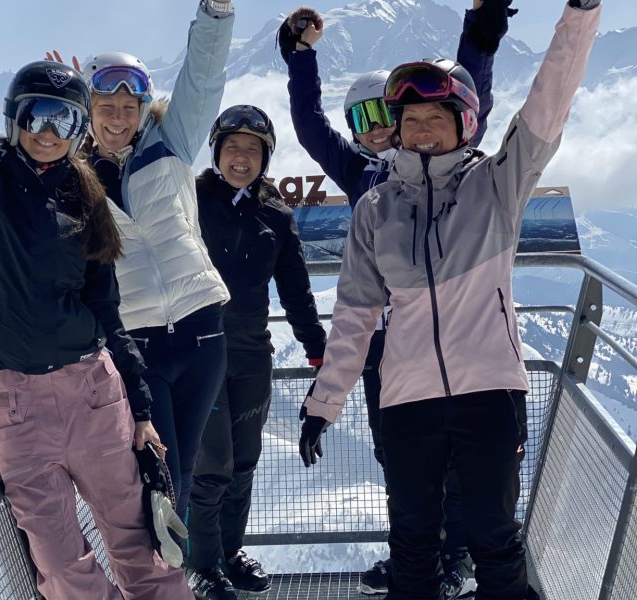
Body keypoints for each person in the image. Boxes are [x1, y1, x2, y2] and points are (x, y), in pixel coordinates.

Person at [298, 1, 601, 598]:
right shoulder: (376, 208)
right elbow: (356, 315)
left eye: (439, 115)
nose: (423, 127)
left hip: (489, 392)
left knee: (493, 537)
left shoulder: (497, 183)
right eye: (411, 119)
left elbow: (548, 104)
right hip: (407, 401)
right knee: (411, 543)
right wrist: (323, 404)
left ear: (466, 123)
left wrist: (580, 14)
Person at [0, 1, 194, 598]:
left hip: (95, 395)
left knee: (143, 548)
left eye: (62, 121)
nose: (46, 133)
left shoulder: (84, 201)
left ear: (79, 132)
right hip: (18, 409)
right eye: (36, 116)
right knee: (61, 568)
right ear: (13, 119)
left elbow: (108, 314)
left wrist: (140, 410)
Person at [279, 1, 513, 595]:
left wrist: (477, 38)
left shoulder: (454, 169)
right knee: (404, 464)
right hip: (386, 351)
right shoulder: (366, 182)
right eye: (367, 118)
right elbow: (310, 128)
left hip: (452, 345)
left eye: (387, 114)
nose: (381, 128)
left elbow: (467, 95)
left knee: (464, 469)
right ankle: (419, 555)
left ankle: (454, 555)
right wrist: (300, 60)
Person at [80, 0, 234, 523]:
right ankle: (159, 576)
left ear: (144, 108)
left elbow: (204, 79)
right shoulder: (74, 177)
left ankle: (171, 575)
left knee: (182, 464)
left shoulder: (172, 143)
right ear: (89, 109)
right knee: (155, 468)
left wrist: (216, 13)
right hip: (138, 338)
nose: (119, 119)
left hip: (201, 327)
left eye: (129, 108)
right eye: (107, 107)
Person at [186, 105, 328, 599]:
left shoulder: (276, 215)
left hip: (251, 354)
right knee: (213, 463)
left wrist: (319, 354)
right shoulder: (191, 198)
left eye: (252, 149)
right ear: (216, 152)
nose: (241, 158)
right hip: (197, 352)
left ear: (265, 157)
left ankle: (228, 554)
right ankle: (201, 567)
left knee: (244, 459)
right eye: (232, 148)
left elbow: (296, 291)